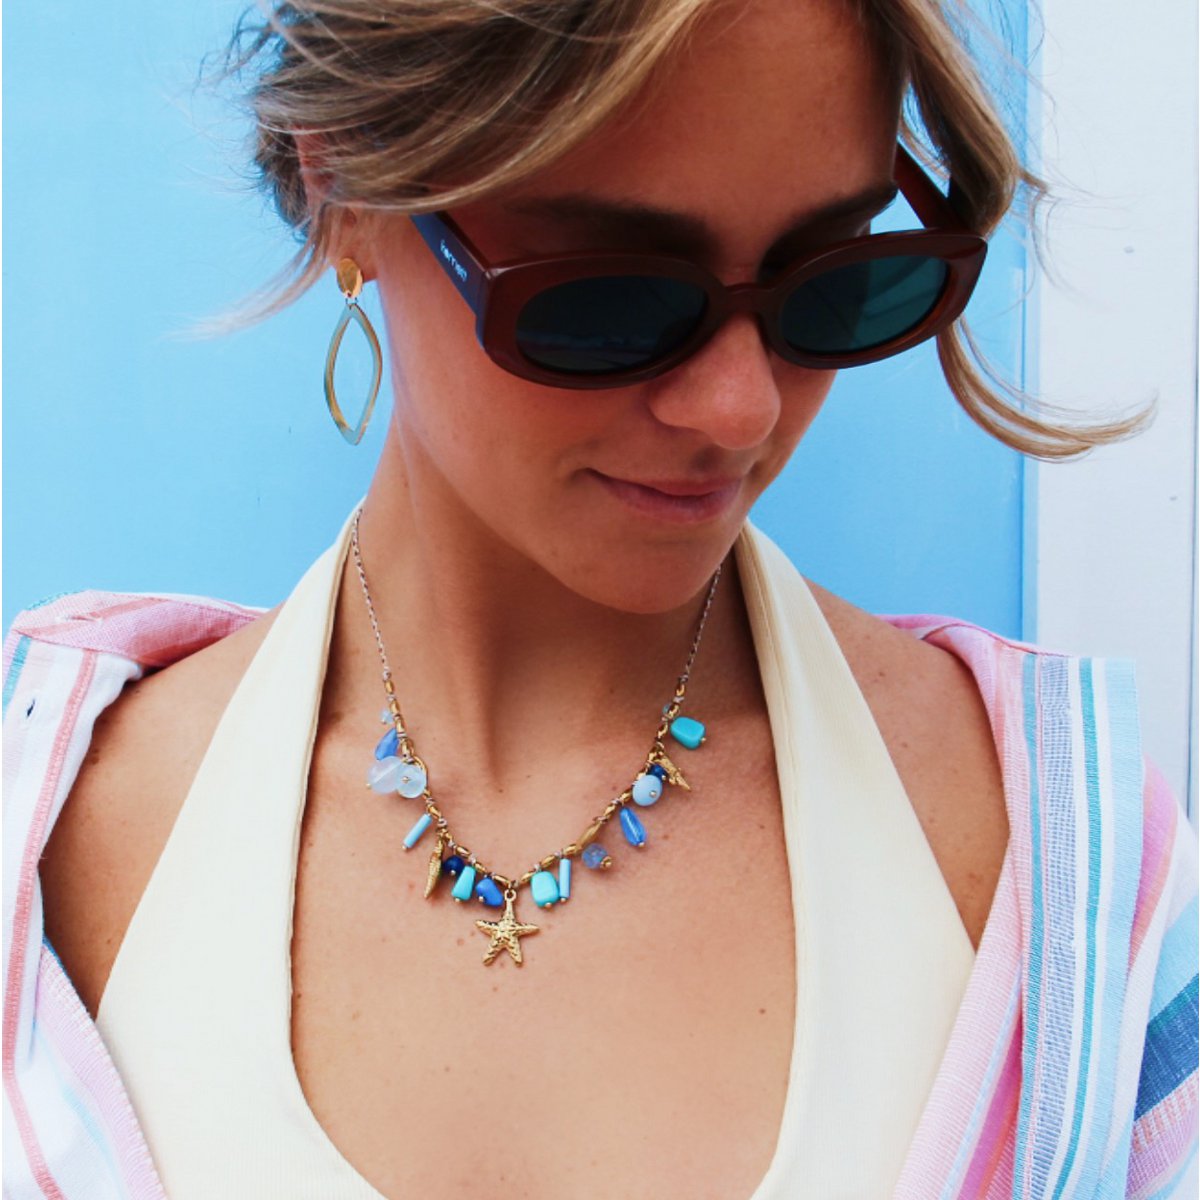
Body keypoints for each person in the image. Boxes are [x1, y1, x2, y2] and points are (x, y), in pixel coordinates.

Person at [4, 0, 1196, 1197]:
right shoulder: (47, 849)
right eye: (611, 298)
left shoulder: (1070, 877)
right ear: (346, 191)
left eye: (834, 281)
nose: (739, 411)